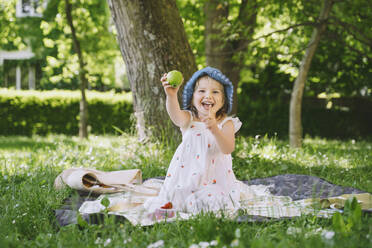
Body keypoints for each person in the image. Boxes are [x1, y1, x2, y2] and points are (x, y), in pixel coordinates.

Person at [144, 67, 242, 215]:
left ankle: (198, 203)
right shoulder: (189, 118)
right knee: (176, 198)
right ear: (192, 97)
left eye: (215, 92)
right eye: (201, 91)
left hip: (214, 180)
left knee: (212, 201)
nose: (208, 95)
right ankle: (180, 204)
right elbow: (175, 116)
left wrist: (215, 129)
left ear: (223, 100)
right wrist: (171, 96)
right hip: (186, 177)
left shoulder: (226, 123)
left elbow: (227, 148)